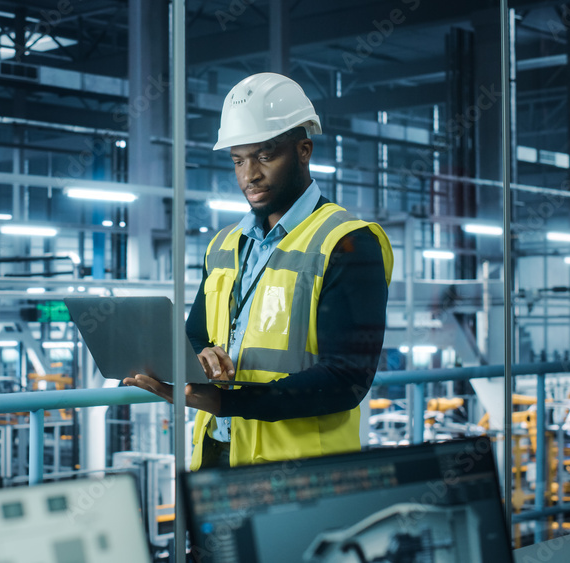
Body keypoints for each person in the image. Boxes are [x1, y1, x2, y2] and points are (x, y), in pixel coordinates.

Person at [123, 73, 393, 469]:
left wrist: (225, 401)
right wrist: (201, 357)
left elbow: (346, 379)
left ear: (303, 150)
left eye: (265, 156)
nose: (250, 175)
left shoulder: (348, 243)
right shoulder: (224, 245)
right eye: (238, 160)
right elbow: (196, 333)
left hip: (300, 472)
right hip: (218, 455)